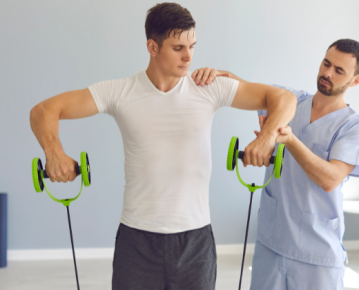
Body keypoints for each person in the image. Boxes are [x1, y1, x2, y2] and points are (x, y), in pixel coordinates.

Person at [30, 3, 296, 290]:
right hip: (137, 241)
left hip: (195, 240)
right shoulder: (119, 91)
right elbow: (44, 110)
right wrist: (54, 152)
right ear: (152, 47)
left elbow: (283, 98)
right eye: (178, 48)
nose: (188, 57)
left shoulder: (209, 87)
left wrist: (267, 137)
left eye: (192, 46)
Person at [194, 38, 359, 290]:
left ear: (355, 81)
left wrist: (289, 139)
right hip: (271, 244)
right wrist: (217, 75)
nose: (327, 73)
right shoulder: (291, 101)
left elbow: (331, 179)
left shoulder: (351, 127)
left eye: (339, 71)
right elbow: (243, 87)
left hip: (317, 256)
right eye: (326, 64)